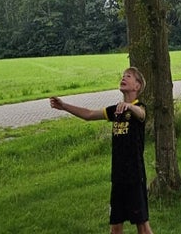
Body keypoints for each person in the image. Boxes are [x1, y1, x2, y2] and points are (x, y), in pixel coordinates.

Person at [50, 68, 154, 234]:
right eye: (123, 76)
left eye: (128, 76)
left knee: (143, 227)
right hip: (118, 177)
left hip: (135, 177)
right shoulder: (116, 110)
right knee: (115, 227)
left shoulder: (139, 107)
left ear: (137, 86)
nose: (123, 78)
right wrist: (64, 106)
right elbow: (89, 114)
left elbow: (141, 114)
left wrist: (129, 106)